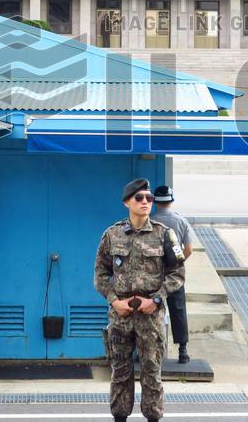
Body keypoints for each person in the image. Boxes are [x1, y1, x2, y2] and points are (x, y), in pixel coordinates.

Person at [94, 178, 186, 422]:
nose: (145, 202)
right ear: (127, 202)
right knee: (120, 373)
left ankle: (153, 417)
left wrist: (156, 300)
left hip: (150, 317)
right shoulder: (111, 235)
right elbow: (100, 275)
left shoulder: (165, 235)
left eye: (149, 198)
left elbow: (178, 273)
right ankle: (120, 417)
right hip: (121, 317)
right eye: (139, 198)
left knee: (152, 372)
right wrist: (115, 301)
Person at [151, 184, 194, 364]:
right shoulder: (181, 221)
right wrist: (176, 263)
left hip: (153, 273)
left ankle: (153, 352)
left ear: (154, 201)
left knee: (153, 310)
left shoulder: (149, 221)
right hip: (174, 274)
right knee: (178, 310)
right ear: (171, 200)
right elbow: (189, 250)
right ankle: (182, 351)